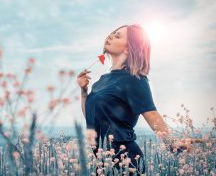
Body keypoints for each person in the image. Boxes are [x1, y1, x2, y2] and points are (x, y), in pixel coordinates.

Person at [76, 24, 194, 176]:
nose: (110, 35)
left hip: (127, 161)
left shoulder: (134, 78)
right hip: (103, 161)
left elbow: (151, 114)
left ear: (128, 48)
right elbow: (91, 118)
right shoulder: (102, 81)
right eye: (112, 33)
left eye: (118, 36)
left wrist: (171, 142)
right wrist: (84, 91)